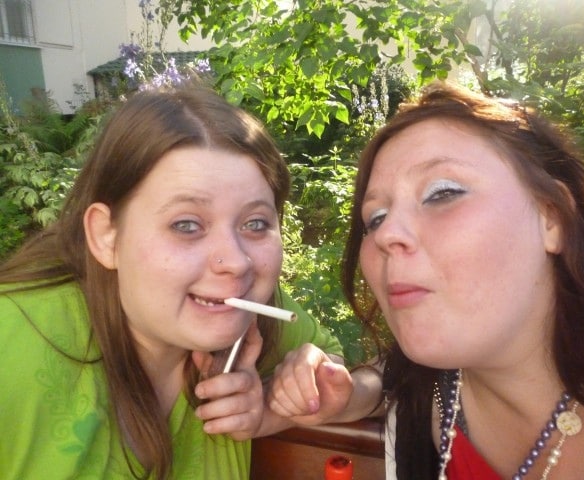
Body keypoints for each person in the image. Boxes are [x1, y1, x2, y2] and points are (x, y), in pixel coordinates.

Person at [0, 84, 349, 479]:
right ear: (106, 236)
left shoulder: (249, 312)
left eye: (255, 224)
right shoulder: (13, 345)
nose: (236, 262)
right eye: (186, 225)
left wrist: (269, 407)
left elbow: (335, 361)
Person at [337, 81, 584, 479]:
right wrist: (351, 393)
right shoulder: (427, 402)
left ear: (552, 218)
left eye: (442, 193)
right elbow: (392, 373)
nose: (386, 234)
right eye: (375, 218)